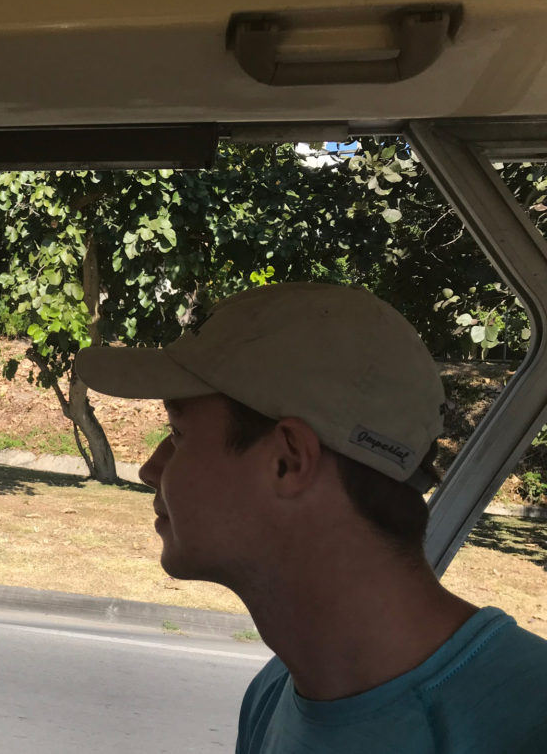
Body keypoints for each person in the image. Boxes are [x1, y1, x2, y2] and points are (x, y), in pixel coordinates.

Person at [75, 282, 547, 753]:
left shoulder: (528, 725)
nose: (149, 469)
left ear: (288, 460)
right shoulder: (277, 690)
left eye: (177, 432)